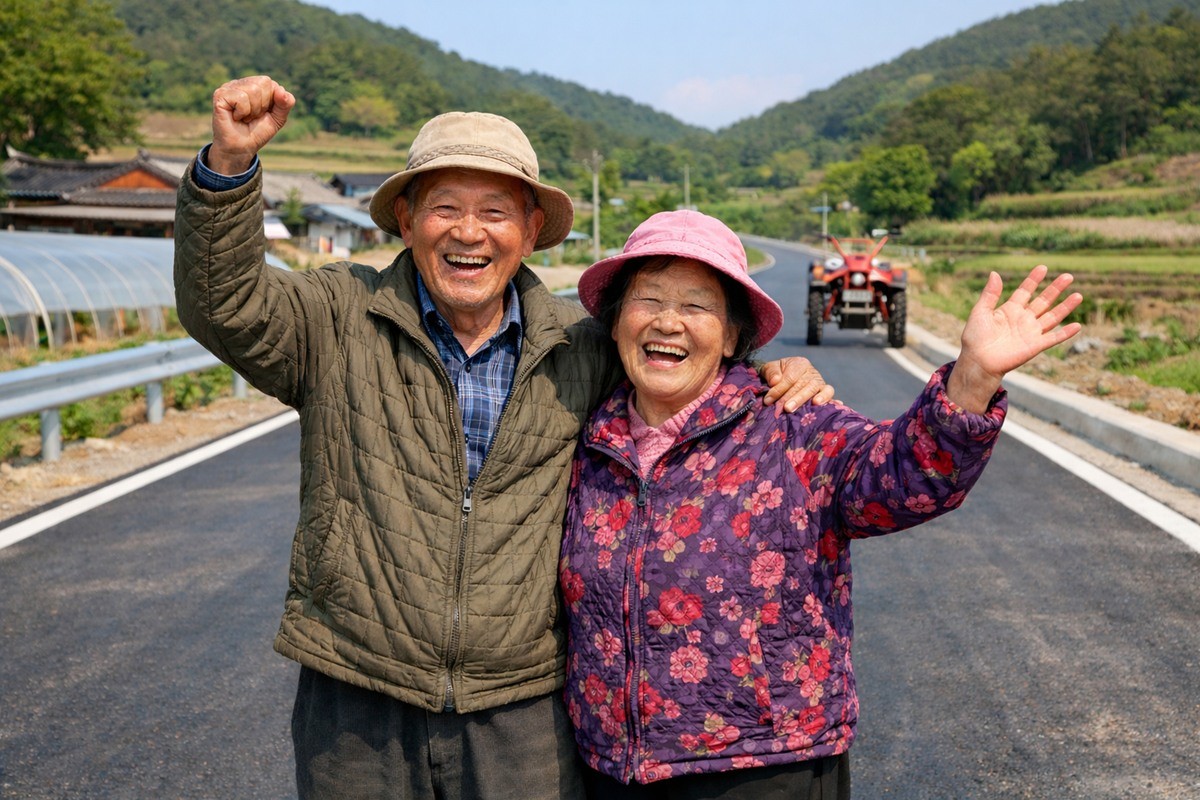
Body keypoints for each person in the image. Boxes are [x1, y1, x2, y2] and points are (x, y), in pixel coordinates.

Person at [173, 75, 832, 800]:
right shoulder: (337, 316)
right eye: (445, 207)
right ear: (406, 216)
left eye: (494, 211)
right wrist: (228, 169)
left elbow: (676, 359)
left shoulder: (580, 349)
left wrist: (769, 372)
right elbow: (225, 305)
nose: (468, 232)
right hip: (357, 694)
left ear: (527, 230)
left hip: (522, 709)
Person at [558, 210, 1082, 798]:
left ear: (732, 335)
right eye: (648, 299)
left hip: (764, 768)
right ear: (616, 320)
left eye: (696, 305)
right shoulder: (589, 439)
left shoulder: (792, 426)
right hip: (613, 769)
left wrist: (972, 379)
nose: (668, 322)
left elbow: (902, 475)